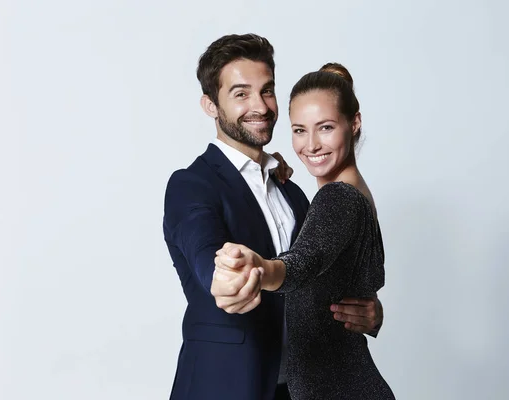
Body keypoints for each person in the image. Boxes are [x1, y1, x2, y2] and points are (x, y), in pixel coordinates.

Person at [162, 34, 384, 400]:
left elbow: (317, 273)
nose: (260, 106)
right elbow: (203, 250)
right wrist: (224, 278)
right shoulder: (192, 185)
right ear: (210, 104)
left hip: (298, 389)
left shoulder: (293, 191)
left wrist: (367, 312)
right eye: (240, 94)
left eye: (267, 91)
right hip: (224, 387)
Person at [212, 63, 396, 399]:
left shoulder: (337, 197)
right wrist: (269, 168)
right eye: (299, 130)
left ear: (354, 123)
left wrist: (262, 268)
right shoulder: (351, 191)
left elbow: (303, 262)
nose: (310, 145)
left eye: (325, 128)